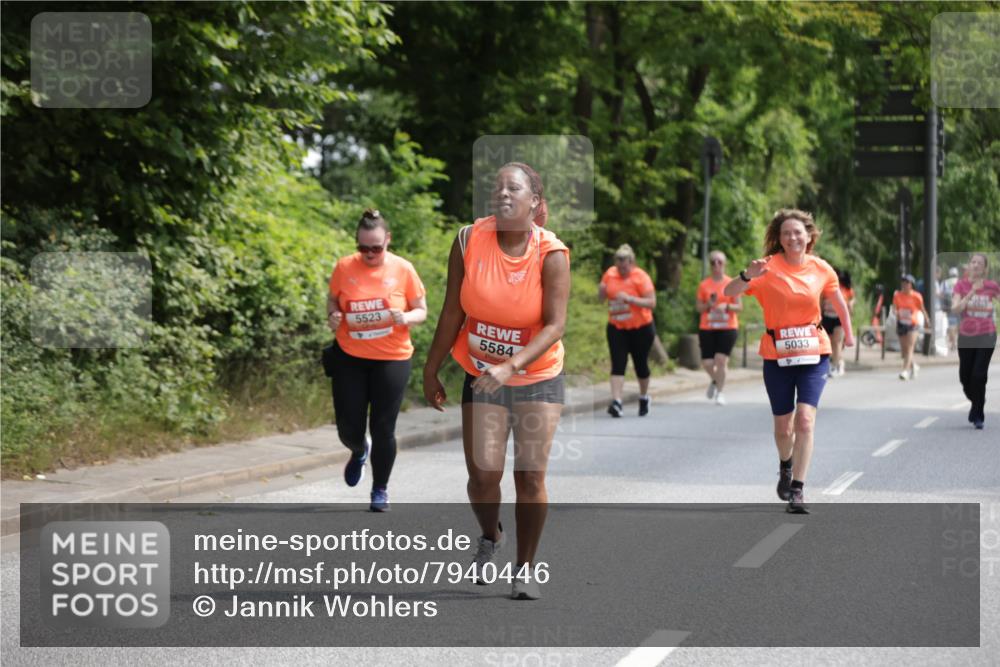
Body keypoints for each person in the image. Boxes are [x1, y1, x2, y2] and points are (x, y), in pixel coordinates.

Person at [422, 162, 570, 600]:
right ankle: (491, 535)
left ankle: (525, 569)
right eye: (498, 186)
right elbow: (453, 311)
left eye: (515, 187)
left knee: (530, 476)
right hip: (481, 373)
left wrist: (512, 365)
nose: (504, 192)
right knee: (483, 477)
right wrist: (431, 368)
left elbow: (555, 325)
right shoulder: (469, 239)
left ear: (534, 203)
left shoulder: (551, 253)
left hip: (538, 375)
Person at [724, 209, 853, 514]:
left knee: (805, 420)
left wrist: (847, 335)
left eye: (798, 232)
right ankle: (785, 464)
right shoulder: (766, 268)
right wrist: (746, 276)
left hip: (813, 352)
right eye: (786, 233)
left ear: (809, 237)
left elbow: (839, 304)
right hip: (776, 354)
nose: (792, 237)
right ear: (779, 239)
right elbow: (728, 293)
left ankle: (798, 489)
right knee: (784, 429)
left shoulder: (822, 269)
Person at [327, 209, 427, 512]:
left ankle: (380, 489)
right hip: (349, 357)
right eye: (363, 248)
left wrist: (406, 315)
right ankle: (358, 451)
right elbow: (333, 299)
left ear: (388, 241)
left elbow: (422, 309)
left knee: (384, 427)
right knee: (349, 428)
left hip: (392, 359)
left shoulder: (403, 269)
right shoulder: (344, 267)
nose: (369, 253)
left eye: (376, 247)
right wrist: (332, 315)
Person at [598, 244, 657, 416]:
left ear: (631, 262)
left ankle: (644, 396)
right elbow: (601, 299)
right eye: (619, 264)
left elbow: (652, 303)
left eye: (625, 265)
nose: (621, 268)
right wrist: (601, 291)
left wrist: (630, 299)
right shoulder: (610, 274)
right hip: (617, 327)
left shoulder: (641, 277)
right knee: (618, 363)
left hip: (641, 329)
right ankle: (617, 402)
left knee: (641, 365)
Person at [952, 253, 999, 430]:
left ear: (985, 268)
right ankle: (977, 400)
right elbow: (956, 308)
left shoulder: (992, 286)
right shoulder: (961, 285)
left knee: (979, 375)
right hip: (966, 336)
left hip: (987, 334)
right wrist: (972, 291)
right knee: (965, 377)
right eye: (973, 262)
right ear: (969, 266)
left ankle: (978, 414)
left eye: (980, 263)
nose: (976, 265)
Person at [695, 250, 742, 405]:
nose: (716, 265)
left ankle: (720, 393)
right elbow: (698, 308)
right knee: (708, 363)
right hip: (707, 327)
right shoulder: (704, 285)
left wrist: (726, 306)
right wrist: (708, 304)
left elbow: (739, 307)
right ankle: (716, 381)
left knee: (721, 360)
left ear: (724, 264)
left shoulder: (732, 283)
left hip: (727, 327)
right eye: (713, 262)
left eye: (719, 262)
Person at [892, 274, 930, 381]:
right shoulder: (897, 295)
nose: (904, 285)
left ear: (911, 285)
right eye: (903, 282)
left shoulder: (916, 296)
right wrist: (895, 312)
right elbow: (895, 308)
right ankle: (914, 366)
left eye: (907, 283)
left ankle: (904, 371)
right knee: (904, 351)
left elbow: (922, 309)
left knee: (909, 348)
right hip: (901, 323)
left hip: (913, 324)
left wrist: (927, 320)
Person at [942, 266, 960, 352]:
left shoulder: (945, 282)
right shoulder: (960, 282)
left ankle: (953, 342)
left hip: (949, 305)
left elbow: (941, 294)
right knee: (957, 324)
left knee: (951, 324)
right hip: (959, 305)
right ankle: (954, 341)